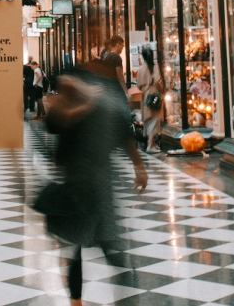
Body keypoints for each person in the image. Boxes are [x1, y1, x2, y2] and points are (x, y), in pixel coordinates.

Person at [36, 72, 148, 306]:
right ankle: (76, 302)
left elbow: (123, 135)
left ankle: (120, 299)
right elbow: (56, 122)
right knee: (78, 250)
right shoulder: (70, 110)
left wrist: (139, 166)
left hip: (96, 190)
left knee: (108, 249)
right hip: (78, 191)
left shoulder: (99, 108)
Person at [137, 44, 164, 153]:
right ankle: (150, 145)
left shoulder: (141, 69)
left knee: (148, 118)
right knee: (154, 117)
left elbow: (139, 85)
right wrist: (161, 89)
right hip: (154, 94)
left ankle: (151, 143)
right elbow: (158, 81)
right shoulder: (155, 67)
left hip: (145, 95)